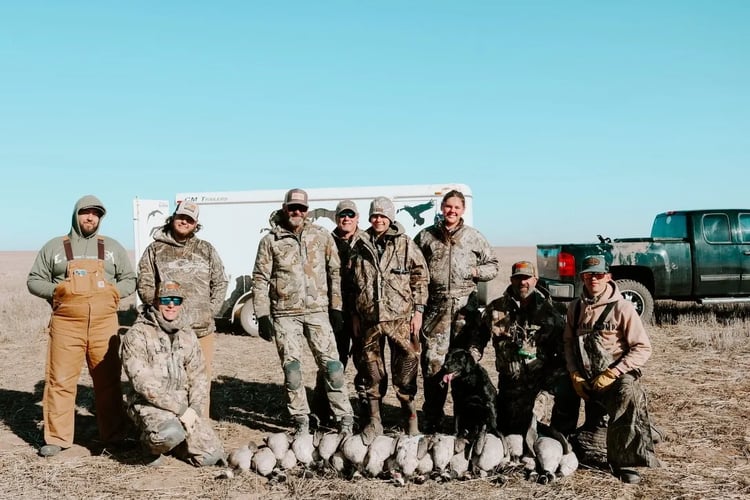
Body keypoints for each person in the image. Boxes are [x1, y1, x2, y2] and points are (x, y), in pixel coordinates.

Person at [27, 195, 137, 457]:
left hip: (104, 325)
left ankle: (114, 436)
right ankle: (57, 438)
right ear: (75, 215)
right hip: (66, 325)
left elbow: (129, 280)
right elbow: (34, 280)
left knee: (108, 382)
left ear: (100, 218)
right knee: (60, 381)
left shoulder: (111, 247)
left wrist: (112, 291)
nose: (90, 218)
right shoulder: (54, 247)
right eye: (85, 213)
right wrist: (59, 289)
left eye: (96, 214)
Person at [252, 188, 354, 437]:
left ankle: (344, 418)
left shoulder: (320, 235)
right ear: (285, 208)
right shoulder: (270, 241)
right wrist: (262, 314)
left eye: (302, 208)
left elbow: (334, 272)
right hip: (285, 314)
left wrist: (336, 308)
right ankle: (300, 419)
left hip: (318, 312)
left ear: (307, 211)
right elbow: (260, 278)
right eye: (292, 207)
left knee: (332, 367)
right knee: (292, 370)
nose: (297, 212)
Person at [564, 255, 659, 484]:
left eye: (598, 274)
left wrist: (613, 373)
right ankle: (560, 442)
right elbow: (568, 343)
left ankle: (625, 462)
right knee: (560, 389)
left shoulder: (623, 308)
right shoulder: (575, 308)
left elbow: (642, 348)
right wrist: (574, 374)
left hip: (615, 375)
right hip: (587, 378)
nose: (593, 279)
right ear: (582, 278)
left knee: (628, 393)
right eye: (588, 275)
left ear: (608, 276)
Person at [414, 189, 499, 433]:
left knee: (464, 365)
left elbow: (492, 265)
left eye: (456, 208)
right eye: (448, 206)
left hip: (465, 310)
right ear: (442, 208)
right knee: (433, 365)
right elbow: (414, 266)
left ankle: (465, 420)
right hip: (436, 310)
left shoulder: (474, 237)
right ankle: (433, 419)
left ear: (463, 210)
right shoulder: (426, 236)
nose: (452, 211)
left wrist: (475, 272)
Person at [136, 200, 228, 418]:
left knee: (200, 382)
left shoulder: (205, 249)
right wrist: (159, 313)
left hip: (200, 330)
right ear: (173, 218)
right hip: (166, 332)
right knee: (168, 380)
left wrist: (210, 310)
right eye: (181, 217)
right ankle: (170, 429)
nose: (184, 222)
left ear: (196, 224)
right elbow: (144, 284)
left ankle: (199, 428)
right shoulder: (156, 249)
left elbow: (220, 282)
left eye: (190, 219)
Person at [120, 281, 225, 467]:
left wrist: (194, 409)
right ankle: (148, 444)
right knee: (169, 433)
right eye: (166, 299)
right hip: (150, 404)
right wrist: (180, 410)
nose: (171, 305)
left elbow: (199, 375)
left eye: (176, 300)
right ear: (155, 302)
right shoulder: (138, 334)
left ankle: (178, 444)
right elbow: (144, 385)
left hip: (185, 408)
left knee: (211, 455)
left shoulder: (188, 334)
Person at [350, 196, 428, 439]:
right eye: (375, 215)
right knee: (371, 370)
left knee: (406, 369)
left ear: (391, 218)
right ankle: (374, 421)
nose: (378, 220)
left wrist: (418, 311)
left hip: (400, 319)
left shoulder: (405, 244)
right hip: (369, 320)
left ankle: (410, 419)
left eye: (383, 216)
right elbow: (350, 283)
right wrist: (354, 313)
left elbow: (421, 277)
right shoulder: (359, 244)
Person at [479, 261, 580, 437]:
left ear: (535, 280)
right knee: (510, 431)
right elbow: (477, 339)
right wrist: (472, 357)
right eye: (518, 278)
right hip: (511, 382)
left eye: (526, 278)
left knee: (568, 386)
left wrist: (548, 386)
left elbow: (564, 349)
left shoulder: (550, 311)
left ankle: (563, 433)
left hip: (540, 380)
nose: (522, 282)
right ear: (511, 280)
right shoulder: (495, 308)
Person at [310, 199, 367, 428]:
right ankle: (321, 411)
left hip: (362, 313)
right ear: (336, 218)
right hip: (335, 313)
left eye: (350, 215)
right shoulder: (326, 241)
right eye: (342, 215)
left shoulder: (366, 240)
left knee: (366, 364)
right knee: (333, 362)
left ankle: (367, 414)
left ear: (357, 218)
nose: (346, 219)